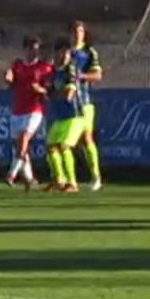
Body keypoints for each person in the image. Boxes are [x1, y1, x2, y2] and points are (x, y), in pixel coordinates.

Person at [4, 36, 52, 189]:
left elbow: (50, 90)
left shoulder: (44, 67)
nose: (34, 51)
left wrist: (41, 89)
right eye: (31, 48)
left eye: (37, 48)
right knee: (20, 146)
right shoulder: (17, 65)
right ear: (25, 49)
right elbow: (11, 82)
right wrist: (8, 79)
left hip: (35, 109)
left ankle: (11, 174)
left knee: (24, 138)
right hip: (18, 110)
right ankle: (30, 178)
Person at [44, 38, 83, 193]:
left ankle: (72, 183)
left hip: (74, 115)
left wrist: (55, 92)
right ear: (57, 53)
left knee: (64, 146)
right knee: (50, 147)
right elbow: (50, 92)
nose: (66, 56)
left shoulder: (70, 69)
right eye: (63, 52)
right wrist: (48, 91)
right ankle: (59, 180)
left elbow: (69, 93)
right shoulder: (54, 71)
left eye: (68, 52)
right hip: (61, 116)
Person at [70, 21, 103, 192]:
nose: (77, 34)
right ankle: (68, 178)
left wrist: (81, 75)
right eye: (75, 31)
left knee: (87, 138)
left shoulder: (89, 52)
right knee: (70, 143)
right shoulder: (66, 52)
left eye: (80, 31)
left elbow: (98, 75)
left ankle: (96, 176)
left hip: (84, 101)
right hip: (67, 102)